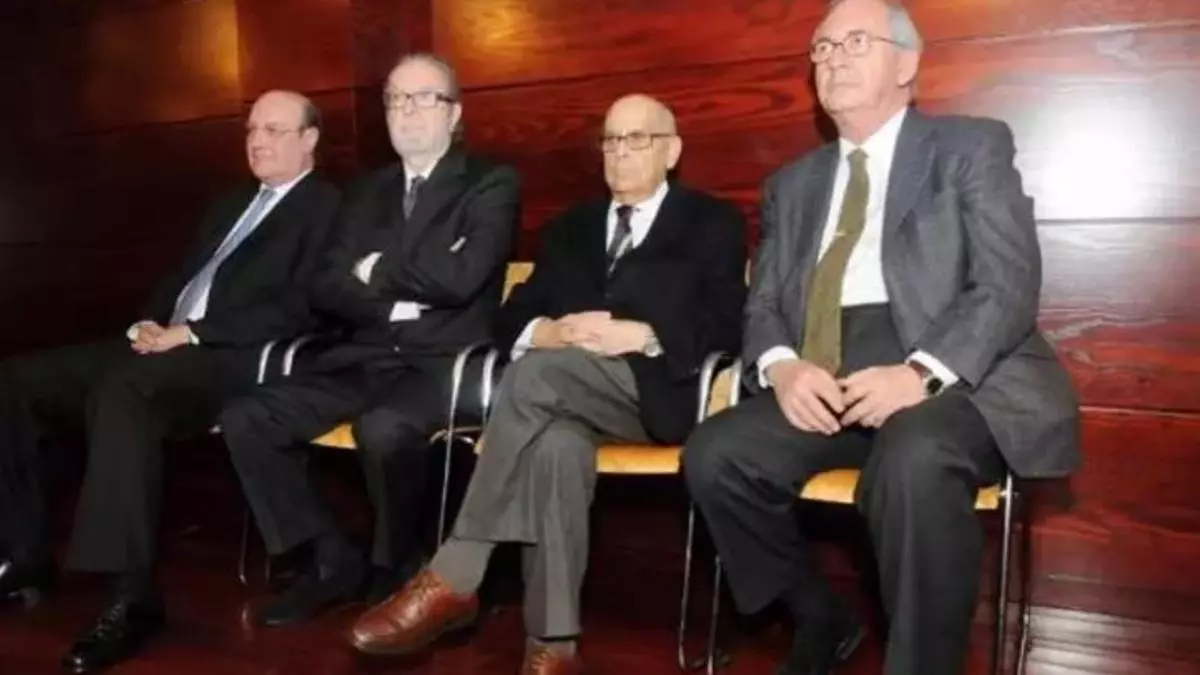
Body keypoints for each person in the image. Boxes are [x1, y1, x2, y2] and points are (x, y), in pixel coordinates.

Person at [680, 1, 1080, 674]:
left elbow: (1007, 283)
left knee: (914, 457)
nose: (832, 58)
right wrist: (781, 366)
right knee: (716, 454)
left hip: (955, 377)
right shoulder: (791, 185)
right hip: (829, 373)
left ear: (907, 64)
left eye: (855, 42)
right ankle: (819, 616)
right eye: (822, 47)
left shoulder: (970, 147)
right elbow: (765, 302)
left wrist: (919, 373)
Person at [346, 93, 747, 674]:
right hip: (558, 395)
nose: (620, 152)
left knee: (534, 375)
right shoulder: (570, 228)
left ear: (672, 151)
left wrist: (644, 335)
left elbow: (731, 321)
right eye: (611, 140)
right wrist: (548, 331)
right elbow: (511, 314)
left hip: (655, 394)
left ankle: (455, 571)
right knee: (556, 445)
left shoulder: (711, 222)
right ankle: (553, 647)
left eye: (638, 139)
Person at [0, 90, 340, 673]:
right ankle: (22, 553)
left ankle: (131, 598)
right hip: (166, 345)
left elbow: (301, 307)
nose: (258, 141)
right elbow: (183, 277)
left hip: (233, 358)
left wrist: (192, 334)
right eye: (252, 129)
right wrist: (149, 323)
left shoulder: (328, 206)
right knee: (15, 380)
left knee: (123, 392)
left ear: (310, 139)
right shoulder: (231, 201)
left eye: (275, 130)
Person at [217, 53, 520, 629]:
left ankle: (398, 569)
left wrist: (375, 268)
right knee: (247, 418)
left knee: (383, 429)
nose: (407, 111)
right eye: (395, 99)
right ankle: (330, 557)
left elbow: (462, 277)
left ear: (454, 114)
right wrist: (401, 294)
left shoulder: (490, 182)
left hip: (444, 364)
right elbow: (327, 283)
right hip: (365, 356)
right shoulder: (365, 191)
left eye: (423, 98)